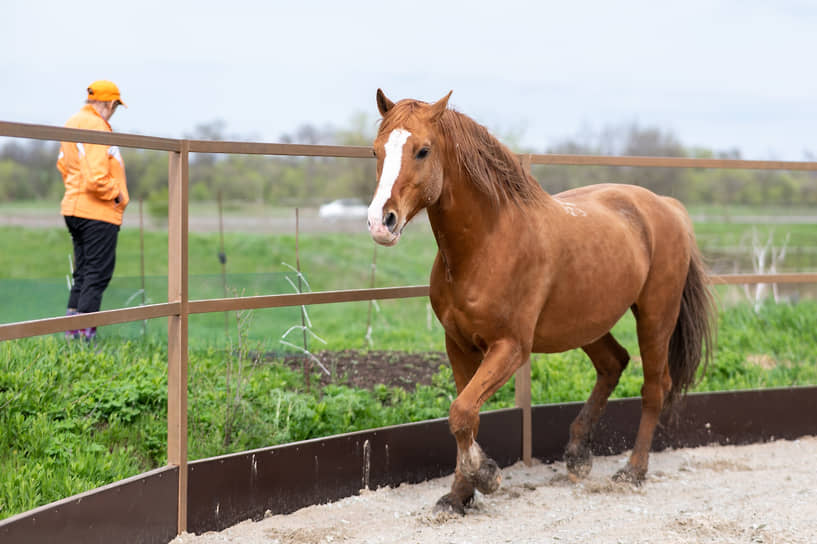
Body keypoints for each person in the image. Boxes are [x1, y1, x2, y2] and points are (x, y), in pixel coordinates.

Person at [57, 80, 130, 340]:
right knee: (97, 275)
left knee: (83, 274)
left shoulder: (72, 122)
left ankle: (72, 334)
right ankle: (85, 338)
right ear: (110, 103)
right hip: (98, 212)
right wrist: (117, 196)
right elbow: (96, 177)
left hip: (74, 207)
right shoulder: (98, 126)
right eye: (115, 107)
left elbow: (63, 164)